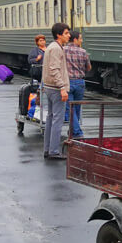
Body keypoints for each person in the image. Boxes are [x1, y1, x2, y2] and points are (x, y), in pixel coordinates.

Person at [42, 23, 72, 160]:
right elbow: (54, 69)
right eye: (66, 33)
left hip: (49, 87)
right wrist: (62, 88)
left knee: (50, 118)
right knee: (57, 120)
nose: (69, 35)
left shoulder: (52, 47)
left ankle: (48, 149)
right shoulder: (56, 49)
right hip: (56, 88)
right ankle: (53, 150)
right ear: (59, 35)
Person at [64, 31, 91, 137]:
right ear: (75, 39)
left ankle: (77, 132)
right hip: (80, 82)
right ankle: (74, 130)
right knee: (77, 108)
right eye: (80, 38)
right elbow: (88, 67)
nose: (81, 40)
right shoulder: (83, 52)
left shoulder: (63, 50)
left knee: (70, 108)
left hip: (68, 82)